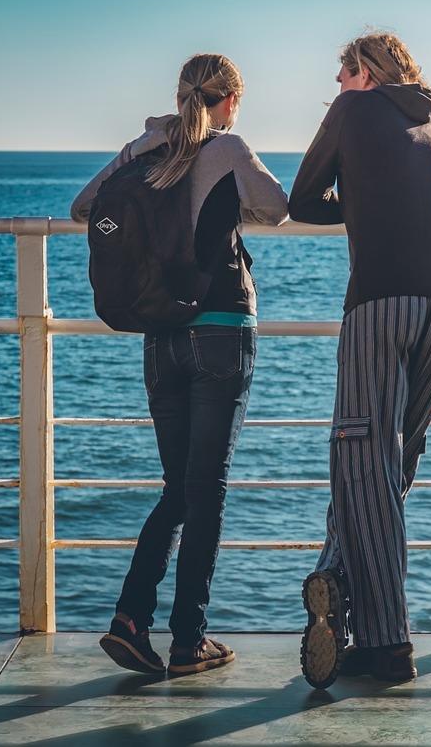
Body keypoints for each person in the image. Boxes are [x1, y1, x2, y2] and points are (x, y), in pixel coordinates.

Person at [71, 54, 289, 675]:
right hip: (220, 329)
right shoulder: (228, 147)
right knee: (206, 491)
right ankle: (189, 639)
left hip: (160, 336)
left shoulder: (144, 151)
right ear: (230, 101)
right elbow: (276, 209)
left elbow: (85, 205)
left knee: (178, 488)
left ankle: (130, 618)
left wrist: (150, 145)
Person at [288, 30, 431, 688]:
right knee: (389, 464)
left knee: (361, 461)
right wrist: (412, 200)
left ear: (364, 74)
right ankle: (336, 583)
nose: (337, 86)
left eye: (342, 74)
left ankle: (387, 644)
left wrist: (367, 204)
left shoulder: (351, 111)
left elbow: (300, 200)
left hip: (379, 305)